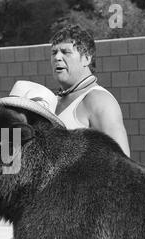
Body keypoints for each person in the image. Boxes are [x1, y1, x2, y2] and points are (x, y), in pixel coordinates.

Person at [50, 24, 130, 157]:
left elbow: (122, 167)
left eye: (65, 52)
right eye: (53, 52)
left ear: (86, 58)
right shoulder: (51, 100)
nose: (57, 57)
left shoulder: (99, 100)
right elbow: (11, 162)